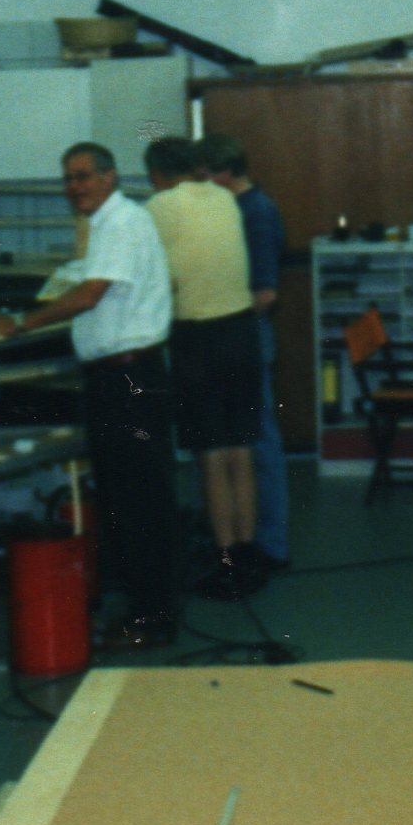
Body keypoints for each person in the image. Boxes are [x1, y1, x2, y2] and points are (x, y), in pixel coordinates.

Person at [0, 144, 179, 651]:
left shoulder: (119, 223)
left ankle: (151, 620)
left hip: (129, 379)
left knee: (137, 500)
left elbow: (90, 295)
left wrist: (22, 322)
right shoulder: (111, 223)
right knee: (129, 498)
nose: (75, 187)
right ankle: (145, 610)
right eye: (68, 178)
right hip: (123, 376)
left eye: (84, 176)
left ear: (110, 177)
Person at [143, 136, 266, 598]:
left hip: (198, 339)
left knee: (211, 455)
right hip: (241, 332)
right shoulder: (223, 198)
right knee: (240, 450)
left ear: (157, 175)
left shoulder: (157, 207)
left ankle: (226, 562)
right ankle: (249, 558)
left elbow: (156, 277)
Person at [200, 132, 290, 571]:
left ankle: (271, 545)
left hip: (247, 339)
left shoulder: (256, 212)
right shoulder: (232, 208)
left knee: (259, 444)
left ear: (223, 172)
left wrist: (219, 318)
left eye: (205, 176)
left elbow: (265, 293)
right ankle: (244, 540)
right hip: (234, 338)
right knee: (239, 444)